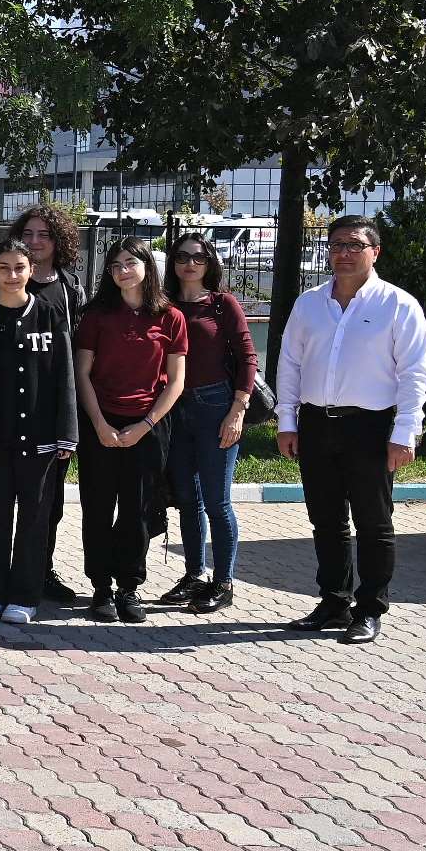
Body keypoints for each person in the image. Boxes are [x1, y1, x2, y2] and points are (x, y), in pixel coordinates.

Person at [276, 214, 426, 645]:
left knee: (374, 523)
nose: (343, 254)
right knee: (325, 521)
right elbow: (289, 363)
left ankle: (370, 609)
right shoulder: (309, 303)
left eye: (354, 246)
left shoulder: (398, 305)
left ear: (375, 252)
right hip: (315, 424)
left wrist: (405, 432)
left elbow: (414, 374)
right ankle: (333, 600)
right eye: (336, 245)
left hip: (371, 426)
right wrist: (287, 420)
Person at [0, 240, 76, 624]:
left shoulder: (50, 315)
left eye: (19, 267)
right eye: (3, 267)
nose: (11, 274)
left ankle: (25, 595)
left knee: (35, 520)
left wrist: (65, 433)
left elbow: (64, 377)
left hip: (38, 439)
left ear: (30, 270)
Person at [74, 236, 187, 624]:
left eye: (130, 263)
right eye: (115, 265)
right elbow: (82, 375)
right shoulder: (96, 316)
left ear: (146, 267)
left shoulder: (170, 316)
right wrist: (100, 424)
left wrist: (146, 425)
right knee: (99, 507)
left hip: (149, 428)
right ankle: (101, 588)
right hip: (101, 425)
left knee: (137, 510)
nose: (123, 271)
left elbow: (175, 382)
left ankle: (129, 586)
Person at [0, 203, 88, 604]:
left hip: (48, 418)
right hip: (3, 418)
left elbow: (73, 356)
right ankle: (0, 582)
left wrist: (68, 423)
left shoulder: (68, 287)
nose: (34, 242)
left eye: (43, 236)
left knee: (47, 505)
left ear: (58, 241)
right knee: (0, 509)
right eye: (28, 234)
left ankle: (40, 571)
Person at [160, 233, 255, 614]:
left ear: (209, 263)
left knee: (216, 500)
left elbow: (249, 357)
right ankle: (194, 574)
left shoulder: (221, 304)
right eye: (182, 257)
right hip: (174, 407)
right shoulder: (162, 305)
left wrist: (238, 410)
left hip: (215, 405)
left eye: (198, 258)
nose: (190, 264)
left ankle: (223, 581)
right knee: (187, 499)